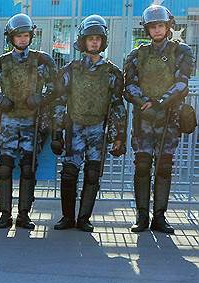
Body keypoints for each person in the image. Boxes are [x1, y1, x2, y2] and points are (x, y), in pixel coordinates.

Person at [123, 4, 195, 234]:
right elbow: (129, 85)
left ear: (168, 26)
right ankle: (142, 216)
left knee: (163, 167)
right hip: (143, 119)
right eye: (153, 26)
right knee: (142, 166)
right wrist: (144, 103)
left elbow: (182, 82)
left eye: (161, 25)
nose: (157, 30)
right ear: (147, 29)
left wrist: (160, 103)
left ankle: (160, 217)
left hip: (169, 118)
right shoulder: (137, 54)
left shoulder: (181, 51)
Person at [52, 15, 127, 232]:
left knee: (93, 174)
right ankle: (67, 218)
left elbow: (117, 106)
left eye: (97, 38)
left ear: (103, 41)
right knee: (69, 174)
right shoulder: (71, 69)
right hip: (74, 128)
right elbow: (59, 102)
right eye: (90, 38)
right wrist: (57, 133)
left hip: (97, 130)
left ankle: (84, 218)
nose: (94, 42)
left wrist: (119, 136)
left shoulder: (112, 72)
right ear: (82, 41)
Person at [0, 14, 56, 230]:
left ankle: (24, 214)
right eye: (19, 36)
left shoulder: (43, 61)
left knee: (28, 168)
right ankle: (4, 214)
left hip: (31, 123)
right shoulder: (0, 63)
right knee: (5, 168)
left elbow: (56, 88)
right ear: (11, 37)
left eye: (26, 35)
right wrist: (0, 100)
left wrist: (41, 98)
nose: (23, 39)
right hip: (8, 122)